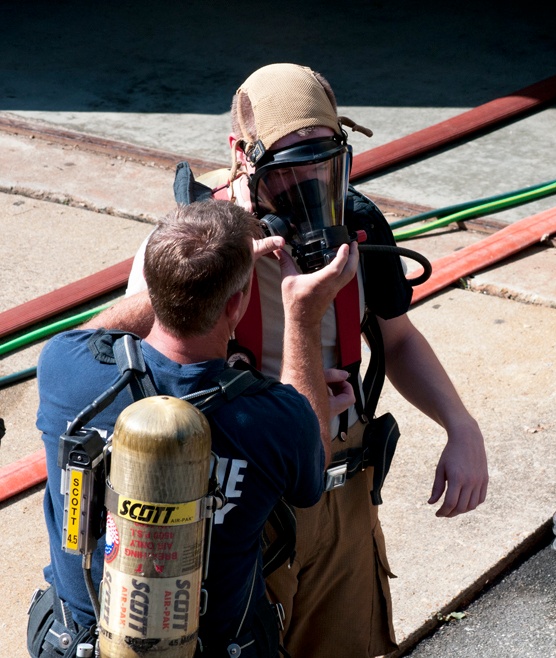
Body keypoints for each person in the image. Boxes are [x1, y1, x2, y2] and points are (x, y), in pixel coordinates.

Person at [107, 63, 489, 657]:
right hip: (241, 503)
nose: (309, 185)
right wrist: (219, 259)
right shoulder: (193, 244)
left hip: (343, 493)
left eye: (324, 163)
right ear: (242, 154)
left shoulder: (359, 225)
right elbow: (137, 366)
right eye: (288, 169)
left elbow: (398, 338)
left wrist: (460, 426)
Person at [29, 199, 358, 657]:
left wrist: (184, 278)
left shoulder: (64, 367)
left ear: (153, 284)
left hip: (76, 643)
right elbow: (312, 475)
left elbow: (91, 335)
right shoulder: (278, 419)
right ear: (236, 304)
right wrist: (302, 316)